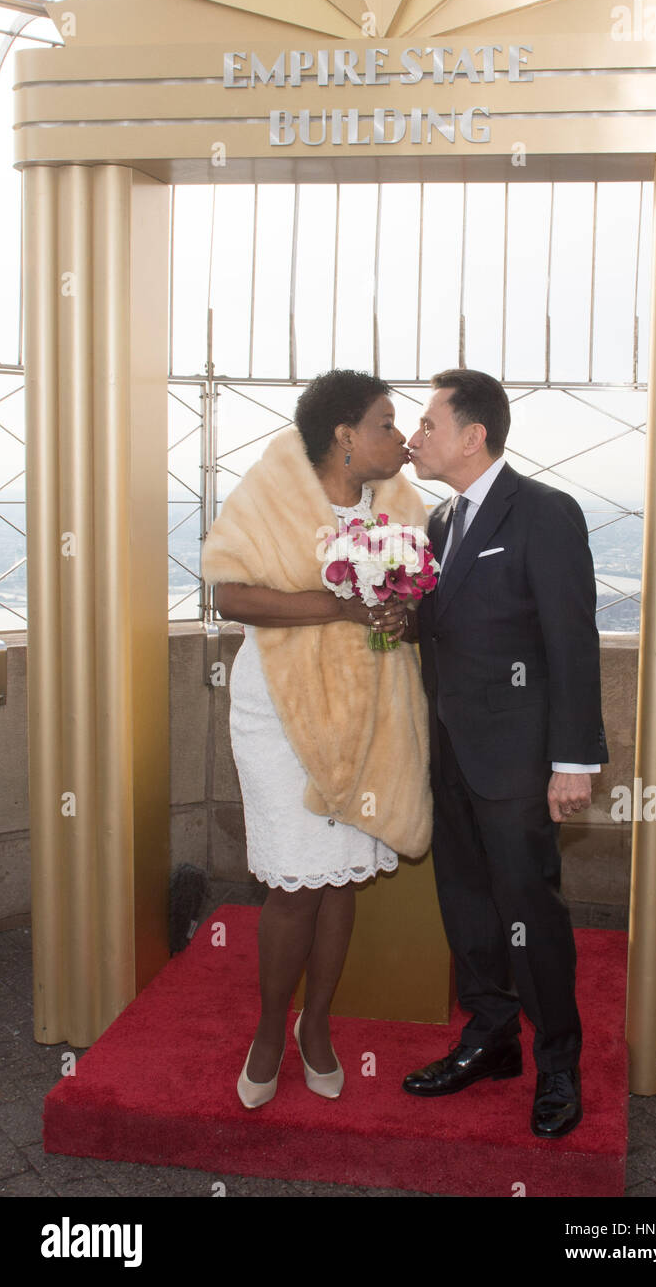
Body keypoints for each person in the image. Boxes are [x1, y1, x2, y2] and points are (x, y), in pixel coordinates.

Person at [200, 370, 432, 1110]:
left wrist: (400, 617)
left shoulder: (402, 506)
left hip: (365, 716)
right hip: (278, 712)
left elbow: (421, 606)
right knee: (293, 885)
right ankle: (270, 1032)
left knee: (339, 878)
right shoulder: (270, 490)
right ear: (344, 435)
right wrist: (339, 607)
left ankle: (318, 1028)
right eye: (388, 424)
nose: (401, 439)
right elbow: (230, 594)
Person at [404, 369, 608, 1138]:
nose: (415, 438)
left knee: (531, 914)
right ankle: (490, 1038)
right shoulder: (436, 523)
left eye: (427, 424)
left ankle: (558, 1063)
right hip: (449, 756)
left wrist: (573, 760)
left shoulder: (545, 514)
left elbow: (570, 640)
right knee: (464, 905)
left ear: (472, 435)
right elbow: (439, 631)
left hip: (520, 762)